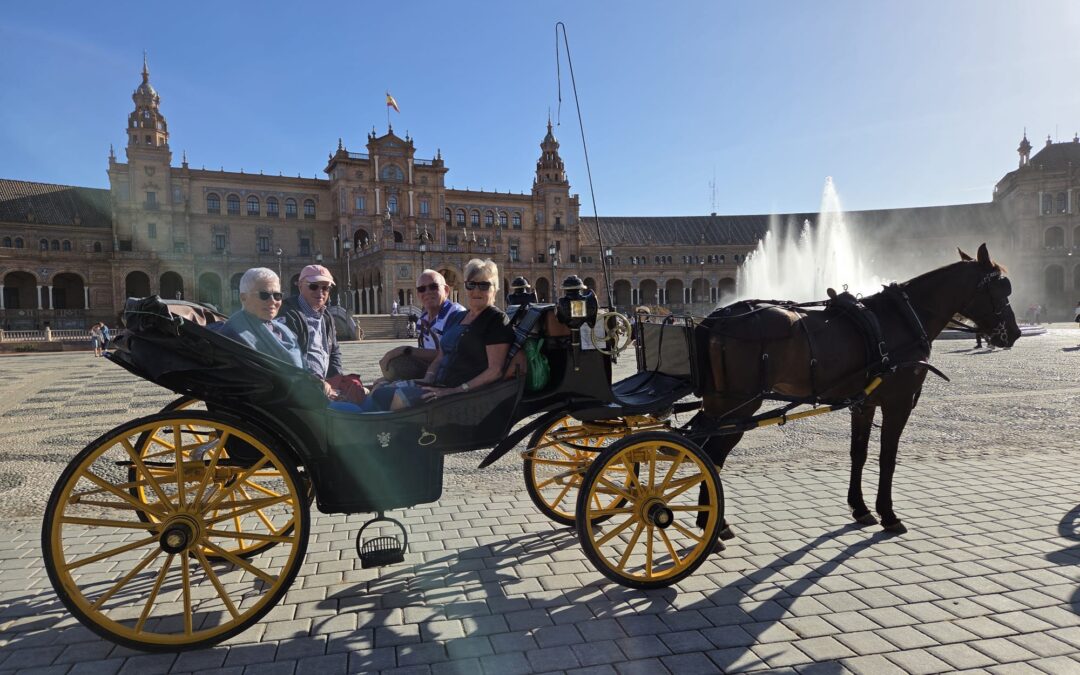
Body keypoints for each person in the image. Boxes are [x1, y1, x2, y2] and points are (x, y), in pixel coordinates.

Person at [356, 258, 513, 411]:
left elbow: (495, 370)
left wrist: (456, 390)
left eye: (484, 285)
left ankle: (389, 434)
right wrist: (428, 378)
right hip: (438, 383)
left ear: (495, 289)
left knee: (396, 398)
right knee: (380, 390)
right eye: (471, 285)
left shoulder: (496, 319)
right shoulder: (460, 317)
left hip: (459, 392)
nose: (476, 291)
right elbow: (441, 356)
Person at [378, 269, 465, 381]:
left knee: (397, 364)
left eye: (433, 287)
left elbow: (449, 355)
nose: (427, 292)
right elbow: (424, 353)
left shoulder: (455, 314)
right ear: (418, 294)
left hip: (449, 374)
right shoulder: (422, 320)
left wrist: (406, 350)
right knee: (382, 381)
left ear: (447, 290)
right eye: (422, 289)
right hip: (431, 370)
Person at [218, 267, 306, 372]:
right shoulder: (233, 332)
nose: (272, 301)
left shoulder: (283, 328)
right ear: (243, 298)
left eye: (277, 295)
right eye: (264, 295)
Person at [278, 264, 344, 381]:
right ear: (300, 286)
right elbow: (288, 355)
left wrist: (337, 380)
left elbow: (334, 352)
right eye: (313, 286)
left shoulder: (327, 316)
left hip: (323, 385)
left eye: (325, 288)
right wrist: (314, 382)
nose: (320, 292)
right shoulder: (288, 314)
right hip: (302, 385)